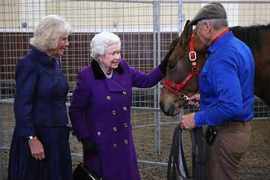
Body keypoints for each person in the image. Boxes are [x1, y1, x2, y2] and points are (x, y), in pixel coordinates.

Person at [69, 32, 168, 180]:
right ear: (100, 55)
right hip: (100, 145)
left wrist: (166, 64)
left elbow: (147, 80)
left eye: (119, 52)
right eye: (113, 53)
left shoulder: (124, 69)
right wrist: (85, 138)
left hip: (123, 142)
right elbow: (76, 111)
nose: (118, 57)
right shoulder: (87, 77)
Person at [180, 2, 255, 180]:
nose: (197, 33)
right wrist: (206, 98)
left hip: (226, 134)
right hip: (237, 132)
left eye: (197, 28)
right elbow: (238, 88)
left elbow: (231, 105)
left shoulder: (222, 56)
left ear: (207, 26)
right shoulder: (239, 47)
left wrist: (196, 118)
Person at [8, 15, 72, 180]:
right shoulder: (28, 64)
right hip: (38, 139)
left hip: (57, 136)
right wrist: (31, 138)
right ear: (50, 38)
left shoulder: (55, 62)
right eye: (63, 39)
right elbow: (22, 105)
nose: (67, 43)